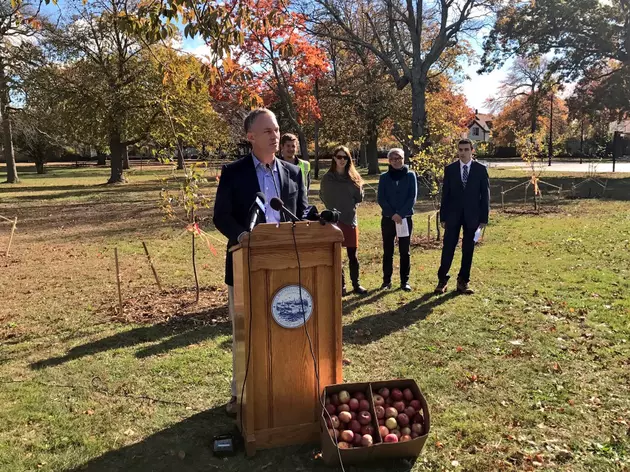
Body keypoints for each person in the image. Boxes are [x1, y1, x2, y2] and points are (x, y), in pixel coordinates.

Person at [212, 108, 308, 416]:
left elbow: (302, 213)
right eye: (267, 131)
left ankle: (284, 388)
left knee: (286, 327)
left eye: (277, 130)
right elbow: (221, 216)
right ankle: (240, 394)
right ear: (250, 136)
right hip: (245, 265)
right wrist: (242, 236)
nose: (275, 136)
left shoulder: (293, 173)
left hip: (288, 267)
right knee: (246, 333)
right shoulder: (234, 172)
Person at [435, 139, 490, 295]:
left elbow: (485, 195)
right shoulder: (450, 169)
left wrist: (484, 218)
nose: (463, 152)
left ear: (472, 150)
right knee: (448, 248)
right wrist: (443, 216)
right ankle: (442, 280)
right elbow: (445, 194)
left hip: (472, 216)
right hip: (453, 215)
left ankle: (463, 281)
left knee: (468, 249)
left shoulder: (480, 169)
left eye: (466, 149)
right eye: (460, 149)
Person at [319, 145, 367, 295]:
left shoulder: (353, 178)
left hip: (350, 219)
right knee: (336, 255)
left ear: (348, 159)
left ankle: (356, 284)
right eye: (339, 157)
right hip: (334, 220)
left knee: (353, 255)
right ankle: (341, 286)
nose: (342, 160)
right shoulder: (328, 178)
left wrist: (358, 189)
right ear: (334, 158)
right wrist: (333, 211)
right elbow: (323, 195)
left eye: (345, 157)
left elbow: (359, 198)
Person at [377, 148, 417, 291]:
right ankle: (386, 281)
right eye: (393, 158)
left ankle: (404, 281)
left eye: (399, 157)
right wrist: (392, 214)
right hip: (388, 219)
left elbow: (412, 197)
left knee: (404, 251)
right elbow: (381, 198)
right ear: (389, 161)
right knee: (388, 251)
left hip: (405, 219)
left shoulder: (411, 175)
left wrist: (400, 214)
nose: (396, 161)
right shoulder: (384, 177)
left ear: (403, 158)